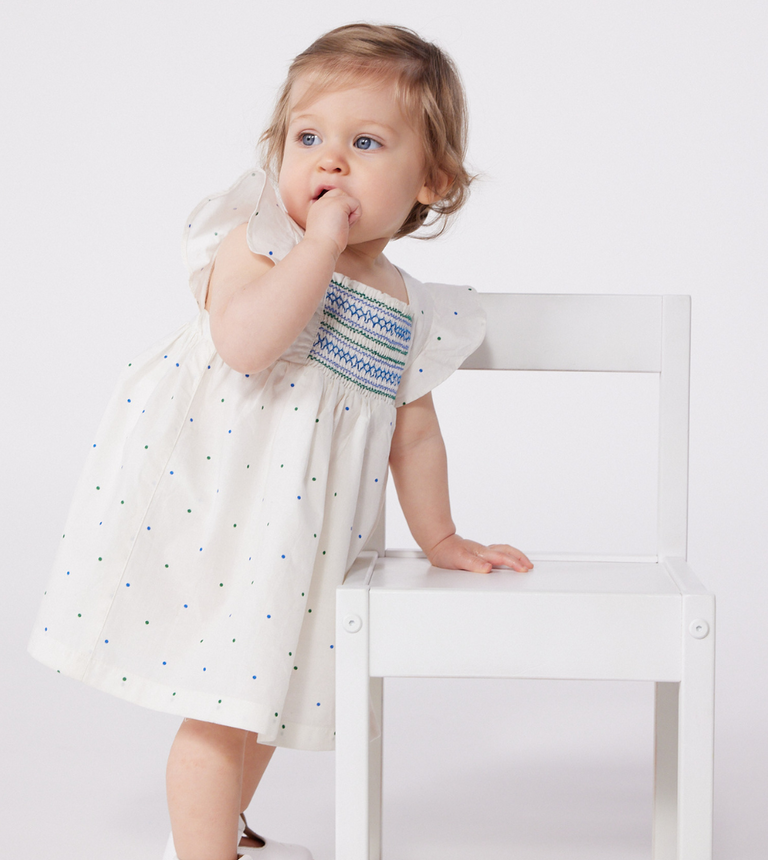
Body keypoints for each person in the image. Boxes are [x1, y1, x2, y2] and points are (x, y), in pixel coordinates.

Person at [28, 22, 532, 860]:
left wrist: (439, 536)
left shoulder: (412, 307)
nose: (328, 161)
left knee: (262, 697)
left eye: (365, 142)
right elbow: (245, 344)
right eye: (308, 138)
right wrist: (320, 247)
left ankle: (221, 832)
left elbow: (415, 434)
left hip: (300, 542)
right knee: (220, 706)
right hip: (216, 508)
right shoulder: (259, 242)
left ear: (432, 182)